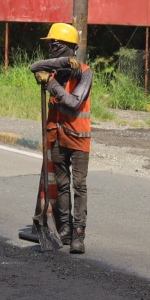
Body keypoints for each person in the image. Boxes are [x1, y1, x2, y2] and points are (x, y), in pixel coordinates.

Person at [16, 22, 92, 254]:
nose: (50, 48)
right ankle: (65, 231)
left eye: (54, 44)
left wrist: (50, 83)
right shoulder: (55, 69)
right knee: (61, 186)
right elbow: (33, 66)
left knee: (79, 186)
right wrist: (57, 67)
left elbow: (73, 103)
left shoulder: (85, 72)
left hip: (78, 139)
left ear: (65, 47)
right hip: (57, 136)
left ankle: (78, 235)